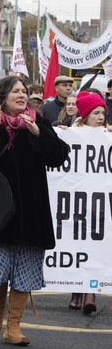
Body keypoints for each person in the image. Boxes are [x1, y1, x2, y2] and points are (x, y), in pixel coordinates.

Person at [0, 76, 69, 346]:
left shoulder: (39, 121)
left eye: (24, 91)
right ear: (2, 97)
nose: (22, 95)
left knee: (25, 265)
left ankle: (14, 324)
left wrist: (38, 133)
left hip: (30, 206)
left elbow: (59, 156)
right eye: (15, 91)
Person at [66, 91, 110, 313]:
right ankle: (78, 289)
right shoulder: (73, 134)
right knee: (79, 246)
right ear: (85, 115)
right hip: (79, 202)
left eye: (103, 112)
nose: (101, 116)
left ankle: (89, 293)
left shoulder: (108, 136)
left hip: (101, 203)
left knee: (96, 245)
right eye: (96, 112)